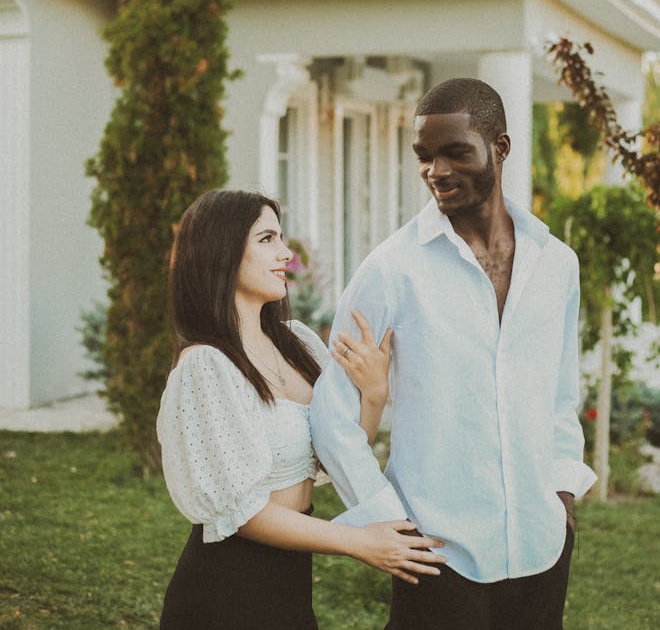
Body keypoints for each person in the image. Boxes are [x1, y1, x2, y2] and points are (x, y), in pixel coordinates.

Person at [311, 78, 597, 630]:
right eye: (424, 156)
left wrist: (562, 493)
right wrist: (385, 522)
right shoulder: (390, 270)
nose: (436, 171)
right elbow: (332, 412)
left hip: (542, 547)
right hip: (438, 556)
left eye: (455, 152)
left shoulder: (556, 263)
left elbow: (561, 395)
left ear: (501, 148)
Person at [156, 189, 445, 630]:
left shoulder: (295, 343)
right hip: (223, 594)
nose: (286, 254)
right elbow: (244, 513)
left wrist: (373, 395)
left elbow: (332, 454)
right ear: (223, 251)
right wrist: (359, 542)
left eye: (281, 238)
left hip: (289, 586)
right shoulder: (205, 364)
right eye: (267, 239)